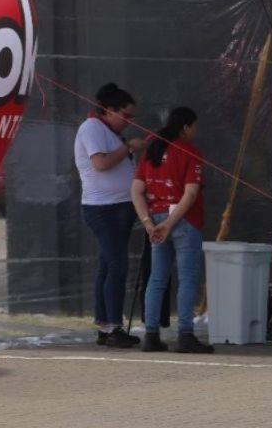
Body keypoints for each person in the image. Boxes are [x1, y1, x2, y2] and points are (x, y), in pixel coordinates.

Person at [130, 106, 212, 354]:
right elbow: (191, 193)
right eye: (194, 126)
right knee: (187, 278)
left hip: (156, 219)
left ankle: (151, 335)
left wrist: (149, 223)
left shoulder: (153, 151)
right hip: (183, 222)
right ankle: (185, 334)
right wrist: (170, 223)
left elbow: (135, 190)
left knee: (157, 278)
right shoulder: (190, 152)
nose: (195, 131)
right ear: (185, 127)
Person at [75, 82, 147, 348]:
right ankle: (114, 325)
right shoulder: (92, 128)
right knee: (117, 266)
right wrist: (128, 147)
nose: (128, 121)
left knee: (107, 265)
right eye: (125, 116)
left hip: (120, 206)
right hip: (103, 209)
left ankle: (105, 325)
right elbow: (101, 163)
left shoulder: (108, 131)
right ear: (109, 110)